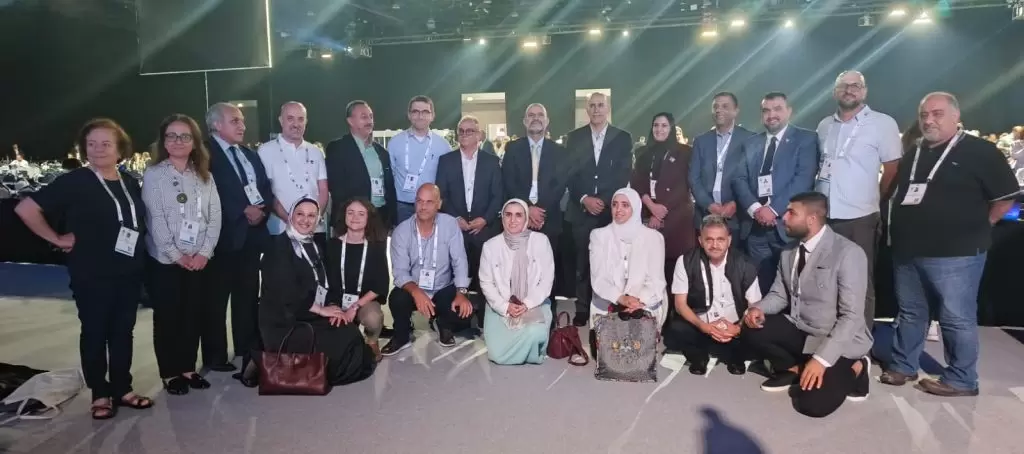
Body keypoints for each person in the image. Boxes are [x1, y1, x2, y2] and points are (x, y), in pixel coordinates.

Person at [881, 92, 1019, 397]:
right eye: (924, 115)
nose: (929, 120)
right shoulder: (914, 152)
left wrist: (979, 226)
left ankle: (962, 379)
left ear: (956, 117)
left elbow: (1004, 199)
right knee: (910, 312)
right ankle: (904, 365)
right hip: (909, 251)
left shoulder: (980, 151)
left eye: (937, 114)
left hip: (956, 255)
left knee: (956, 317)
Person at [15, 118, 153, 419]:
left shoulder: (129, 181)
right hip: (92, 272)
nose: (98, 149)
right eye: (91, 144)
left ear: (120, 149)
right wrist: (56, 238)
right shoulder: (75, 181)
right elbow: (26, 208)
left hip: (129, 270)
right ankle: (100, 393)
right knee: (95, 332)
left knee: (123, 332)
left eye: (106, 144)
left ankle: (122, 388)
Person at [742, 192, 872, 418]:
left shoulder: (848, 253)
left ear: (812, 219)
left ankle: (857, 368)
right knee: (751, 328)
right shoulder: (788, 252)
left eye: (791, 213)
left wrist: (821, 360)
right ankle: (793, 369)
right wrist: (758, 308)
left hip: (836, 340)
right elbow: (779, 295)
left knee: (812, 405)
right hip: (801, 330)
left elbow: (851, 317)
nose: (784, 217)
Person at [814, 71, 902, 329]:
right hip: (825, 218)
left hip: (860, 218)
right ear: (834, 92)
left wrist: (876, 200)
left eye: (855, 86)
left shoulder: (882, 123)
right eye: (843, 86)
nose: (849, 90)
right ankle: (830, 336)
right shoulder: (824, 126)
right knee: (826, 280)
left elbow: (893, 170)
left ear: (864, 91)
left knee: (859, 282)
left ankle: (859, 340)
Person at [142, 114, 222, 395]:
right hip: (165, 261)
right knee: (168, 317)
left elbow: (215, 216)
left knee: (193, 315)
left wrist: (204, 252)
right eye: (172, 136)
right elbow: (155, 218)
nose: (178, 141)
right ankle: (169, 372)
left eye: (185, 136)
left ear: (194, 142)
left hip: (199, 259)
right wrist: (176, 255)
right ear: (163, 141)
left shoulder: (204, 175)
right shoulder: (154, 175)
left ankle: (187, 367)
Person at [256, 198, 375, 386]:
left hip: (308, 311)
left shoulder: (314, 245)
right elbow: (285, 292)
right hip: (285, 321)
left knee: (347, 329)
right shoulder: (278, 246)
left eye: (311, 215)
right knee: (342, 339)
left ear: (318, 219)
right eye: (300, 214)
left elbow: (325, 283)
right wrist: (321, 310)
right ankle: (316, 374)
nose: (305, 220)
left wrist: (333, 306)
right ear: (291, 216)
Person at [205, 102, 274, 374]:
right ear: (216, 125)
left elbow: (265, 187)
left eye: (242, 120)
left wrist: (262, 211)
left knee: (246, 295)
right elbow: (208, 192)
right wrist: (241, 210)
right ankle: (215, 355)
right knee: (216, 300)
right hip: (222, 237)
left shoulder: (248, 154)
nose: (242, 126)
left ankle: (246, 347)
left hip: (252, 236)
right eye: (235, 120)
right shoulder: (204, 154)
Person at [732, 92, 819, 294]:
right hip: (756, 229)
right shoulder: (751, 143)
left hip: (789, 227)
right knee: (762, 288)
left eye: (777, 109)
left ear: (789, 111)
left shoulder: (806, 139)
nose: (771, 115)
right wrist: (756, 209)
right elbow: (738, 179)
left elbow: (803, 179)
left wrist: (772, 210)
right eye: (766, 110)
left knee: (794, 287)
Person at [380, 184, 477, 355]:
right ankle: (402, 335)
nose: (423, 207)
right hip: (414, 287)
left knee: (462, 314)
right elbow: (400, 272)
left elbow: (460, 260)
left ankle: (443, 324)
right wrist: (416, 291)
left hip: (443, 286)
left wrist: (461, 292)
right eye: (420, 201)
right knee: (396, 298)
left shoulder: (450, 224)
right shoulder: (401, 231)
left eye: (429, 202)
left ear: (439, 204)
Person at [565, 92, 633, 326]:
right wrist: (584, 198)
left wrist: (603, 200)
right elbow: (569, 173)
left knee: (610, 263)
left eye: (600, 105)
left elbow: (624, 172)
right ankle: (583, 308)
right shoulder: (574, 138)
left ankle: (609, 306)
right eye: (592, 106)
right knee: (582, 263)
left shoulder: (622, 138)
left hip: (609, 211)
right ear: (587, 110)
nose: (596, 109)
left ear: (608, 108)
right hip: (581, 211)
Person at [665, 214, 760, 376]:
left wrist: (737, 328)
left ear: (729, 240)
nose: (714, 245)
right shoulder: (686, 261)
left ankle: (736, 357)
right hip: (702, 324)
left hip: (735, 325)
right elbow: (680, 304)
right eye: (709, 240)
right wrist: (703, 326)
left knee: (759, 327)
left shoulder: (745, 264)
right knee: (677, 328)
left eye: (720, 239)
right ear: (700, 241)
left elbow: (754, 306)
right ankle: (699, 357)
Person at [501, 103, 568, 305]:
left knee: (547, 268)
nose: (535, 118)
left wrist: (540, 210)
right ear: (524, 121)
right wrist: (527, 209)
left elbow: (560, 184)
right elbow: (508, 181)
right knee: (519, 268)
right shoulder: (512, 148)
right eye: (531, 115)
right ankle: (519, 309)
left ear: (547, 121)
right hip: (519, 218)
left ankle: (548, 312)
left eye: (540, 115)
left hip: (549, 218)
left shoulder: (559, 151)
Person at [479, 199, 555, 365]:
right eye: (508, 215)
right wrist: (505, 306)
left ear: (526, 218)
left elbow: (546, 280)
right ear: (502, 218)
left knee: (536, 332)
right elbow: (486, 283)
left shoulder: (540, 241)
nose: (513, 220)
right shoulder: (490, 246)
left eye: (518, 215)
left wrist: (527, 304)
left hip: (534, 304)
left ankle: (529, 350)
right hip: (500, 306)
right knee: (497, 355)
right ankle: (521, 350)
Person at [436, 115, 503, 295]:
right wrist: (456, 218)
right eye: (461, 131)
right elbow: (441, 195)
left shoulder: (492, 162)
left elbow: (498, 195)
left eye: (470, 131)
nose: (464, 134)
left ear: (479, 135)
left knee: (486, 276)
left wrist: (485, 219)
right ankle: (457, 308)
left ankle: (483, 309)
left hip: (484, 228)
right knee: (455, 276)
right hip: (455, 227)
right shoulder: (445, 161)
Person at [588, 188, 667, 330]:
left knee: (639, 332)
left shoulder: (654, 238)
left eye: (625, 205)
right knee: (610, 337)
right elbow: (599, 278)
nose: (618, 209)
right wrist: (621, 298)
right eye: (615, 204)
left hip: (644, 302)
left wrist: (637, 303)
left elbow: (656, 280)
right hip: (608, 300)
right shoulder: (599, 236)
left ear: (635, 208)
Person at [631, 112, 696, 278]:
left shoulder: (685, 152)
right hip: (648, 213)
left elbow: (683, 185)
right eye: (656, 125)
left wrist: (660, 211)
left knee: (676, 269)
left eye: (664, 125)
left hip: (676, 217)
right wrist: (651, 207)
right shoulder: (642, 152)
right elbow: (637, 182)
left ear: (671, 128)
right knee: (651, 267)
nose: (659, 129)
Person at [326, 198, 390, 362]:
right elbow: (325, 281)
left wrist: (355, 306)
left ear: (368, 218)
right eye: (351, 213)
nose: (355, 217)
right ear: (344, 216)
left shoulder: (376, 247)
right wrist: (333, 306)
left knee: (373, 318)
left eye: (361, 214)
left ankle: (372, 341)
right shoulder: (331, 245)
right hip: (336, 301)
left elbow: (380, 284)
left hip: (363, 302)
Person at [258, 102, 329, 246]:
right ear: (281, 120)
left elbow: (323, 189)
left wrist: (313, 219)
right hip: (280, 229)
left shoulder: (315, 151)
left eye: (301, 119)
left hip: (315, 230)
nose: (296, 124)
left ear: (306, 122)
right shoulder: (265, 151)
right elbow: (267, 192)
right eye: (290, 118)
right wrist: (291, 221)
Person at [325, 100, 397, 229]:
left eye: (371, 116)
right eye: (364, 117)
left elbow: (389, 187)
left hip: (379, 218)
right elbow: (336, 189)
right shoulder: (337, 148)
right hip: (351, 221)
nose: (369, 121)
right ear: (350, 121)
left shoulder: (381, 152)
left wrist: (391, 219)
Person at [689, 92, 754, 233]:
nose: (718, 110)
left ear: (736, 111)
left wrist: (736, 204)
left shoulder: (750, 139)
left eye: (725, 106)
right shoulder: (701, 141)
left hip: (737, 217)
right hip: (705, 215)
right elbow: (694, 179)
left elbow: (753, 179)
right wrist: (709, 205)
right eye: (715, 107)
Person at [388, 95, 452, 225]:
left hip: (431, 206)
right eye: (415, 111)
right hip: (402, 206)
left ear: (432, 116)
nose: (420, 116)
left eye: (425, 112)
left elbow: (448, 179)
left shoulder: (443, 146)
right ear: (409, 115)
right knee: (403, 238)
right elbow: (390, 174)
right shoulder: (394, 142)